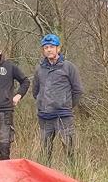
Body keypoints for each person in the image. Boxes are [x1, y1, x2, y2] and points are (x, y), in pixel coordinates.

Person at [32, 33, 84, 164]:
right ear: (43, 50)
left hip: (64, 116)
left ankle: (74, 175)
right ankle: (45, 180)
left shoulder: (68, 67)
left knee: (70, 149)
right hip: (45, 117)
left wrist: (66, 105)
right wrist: (41, 103)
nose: (49, 49)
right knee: (45, 152)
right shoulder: (39, 69)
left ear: (58, 49)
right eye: (46, 47)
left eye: (51, 47)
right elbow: (35, 90)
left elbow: (78, 90)